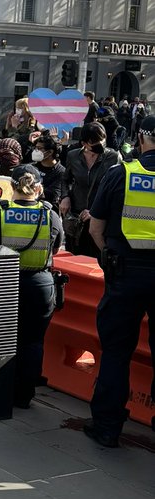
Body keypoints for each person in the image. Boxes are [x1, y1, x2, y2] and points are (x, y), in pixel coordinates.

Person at [85, 115, 155, 446]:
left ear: (141, 138)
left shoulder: (121, 174)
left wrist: (110, 256)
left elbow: (95, 228)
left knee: (116, 352)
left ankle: (107, 427)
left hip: (124, 272)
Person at [0, 164, 63, 407]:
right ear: (38, 188)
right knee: (33, 341)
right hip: (40, 285)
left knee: (3, 337)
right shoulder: (50, 214)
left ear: (12, 186)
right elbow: (56, 249)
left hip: (6, 282)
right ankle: (24, 395)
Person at [61, 121, 120, 257]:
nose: (101, 143)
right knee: (74, 260)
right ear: (85, 143)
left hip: (100, 220)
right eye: (95, 141)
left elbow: (116, 189)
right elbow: (65, 179)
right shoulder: (73, 156)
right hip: (76, 217)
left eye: (102, 139)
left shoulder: (113, 157)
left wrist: (95, 210)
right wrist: (65, 197)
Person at [29, 131, 68, 206]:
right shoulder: (32, 167)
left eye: (39, 148)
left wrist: (31, 190)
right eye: (35, 148)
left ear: (50, 152)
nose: (35, 151)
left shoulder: (61, 172)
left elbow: (53, 194)